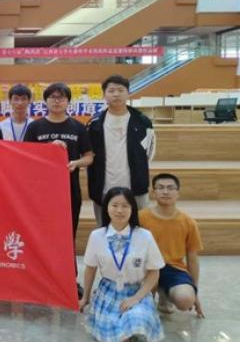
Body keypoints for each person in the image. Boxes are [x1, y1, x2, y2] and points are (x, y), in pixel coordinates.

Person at [79, 187, 165, 342]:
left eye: (125, 206)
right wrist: (85, 298)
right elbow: (90, 269)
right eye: (115, 205)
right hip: (108, 294)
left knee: (138, 319)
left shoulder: (144, 236)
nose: (119, 210)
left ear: (132, 209)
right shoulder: (97, 236)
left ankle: (127, 331)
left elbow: (154, 273)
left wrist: (136, 298)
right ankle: (122, 335)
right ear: (106, 208)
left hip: (136, 292)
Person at [24, 83, 93, 297]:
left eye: (61, 97)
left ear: (68, 102)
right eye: (52, 97)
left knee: (67, 236)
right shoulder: (35, 128)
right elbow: (26, 156)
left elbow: (89, 157)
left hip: (69, 191)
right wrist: (47, 150)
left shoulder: (78, 127)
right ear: (45, 101)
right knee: (42, 236)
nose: (57, 101)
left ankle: (69, 280)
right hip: (42, 194)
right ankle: (42, 280)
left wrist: (75, 163)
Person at [87, 75, 155, 225]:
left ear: (128, 93)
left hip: (135, 186)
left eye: (120, 90)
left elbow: (149, 153)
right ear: (104, 94)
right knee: (105, 229)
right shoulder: (94, 123)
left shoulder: (143, 122)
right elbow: (88, 153)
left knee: (139, 228)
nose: (116, 94)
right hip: (103, 187)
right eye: (111, 91)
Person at [140, 173, 204, 317]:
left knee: (185, 300)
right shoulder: (141, 218)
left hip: (174, 269)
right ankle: (155, 291)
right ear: (153, 192)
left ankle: (165, 293)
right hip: (147, 267)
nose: (166, 192)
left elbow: (192, 258)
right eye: (160, 188)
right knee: (144, 305)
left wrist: (195, 292)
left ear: (178, 193)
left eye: (170, 188)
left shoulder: (188, 222)